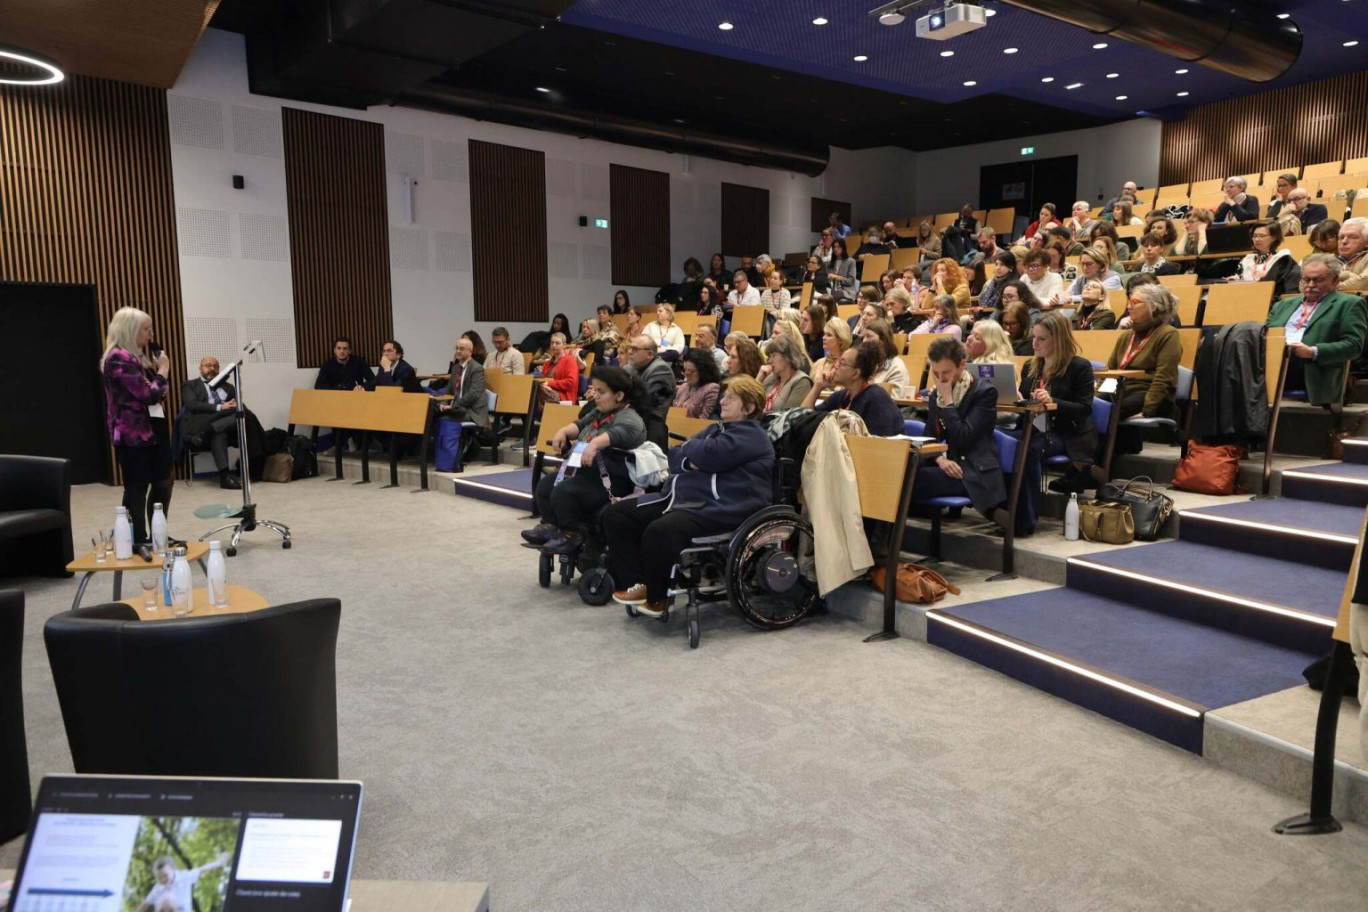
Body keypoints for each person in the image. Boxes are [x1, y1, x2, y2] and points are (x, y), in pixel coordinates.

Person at [604, 375, 773, 615]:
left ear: (749, 407)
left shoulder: (751, 435)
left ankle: (659, 595)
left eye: (731, 398)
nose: (723, 401)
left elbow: (706, 455)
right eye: (724, 396)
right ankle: (638, 583)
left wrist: (694, 453)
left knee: (660, 531)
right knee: (617, 516)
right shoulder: (718, 429)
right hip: (688, 499)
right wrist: (693, 456)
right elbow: (674, 456)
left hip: (725, 507)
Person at [522, 366, 650, 555]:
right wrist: (564, 431)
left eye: (601, 391)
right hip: (586, 472)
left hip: (612, 479)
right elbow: (579, 424)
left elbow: (618, 434)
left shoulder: (631, 418)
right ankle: (550, 525)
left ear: (620, 396)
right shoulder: (599, 411)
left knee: (563, 493)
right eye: (594, 389)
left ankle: (572, 532)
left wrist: (595, 444)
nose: (595, 395)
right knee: (545, 487)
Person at [101, 308, 172, 546]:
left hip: (154, 428)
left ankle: (158, 533)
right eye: (146, 329)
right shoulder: (118, 357)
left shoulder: (137, 357)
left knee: (164, 480)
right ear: (130, 330)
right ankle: (137, 539)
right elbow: (147, 394)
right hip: (133, 433)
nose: (151, 334)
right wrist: (163, 370)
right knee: (138, 485)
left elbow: (157, 393)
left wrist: (157, 380)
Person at [1018, 313, 1098, 520]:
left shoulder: (1079, 367)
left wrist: (1052, 402)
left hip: (1065, 433)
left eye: (1041, 339)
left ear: (1058, 339)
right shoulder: (1030, 366)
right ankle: (1007, 505)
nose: (1034, 343)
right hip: (1034, 427)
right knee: (999, 440)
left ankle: (1027, 515)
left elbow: (1084, 408)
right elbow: (1025, 399)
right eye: (1033, 337)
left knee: (1027, 449)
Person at [919, 336, 1007, 521]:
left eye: (946, 372)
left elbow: (963, 436)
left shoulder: (984, 392)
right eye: (935, 373)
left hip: (974, 470)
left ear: (962, 365)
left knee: (914, 481)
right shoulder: (939, 394)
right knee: (906, 472)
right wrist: (939, 460)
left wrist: (948, 402)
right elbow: (929, 437)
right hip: (949, 465)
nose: (941, 379)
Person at [1266, 255, 1368, 413]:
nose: (1310, 285)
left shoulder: (1349, 304)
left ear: (1334, 281)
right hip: (1275, 362)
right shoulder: (1282, 305)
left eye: (1317, 280)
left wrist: (1312, 351)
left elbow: (1353, 346)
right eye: (1306, 280)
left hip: (1312, 367)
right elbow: (1265, 335)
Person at [1106, 283, 1183, 422]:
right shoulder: (1126, 335)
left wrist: (1147, 410)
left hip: (1150, 396)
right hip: (1121, 392)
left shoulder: (1168, 334)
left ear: (1152, 307)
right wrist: (1098, 397)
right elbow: (1111, 371)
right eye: (1129, 302)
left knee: (1108, 412)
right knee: (1089, 407)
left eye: (1134, 302)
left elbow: (1164, 377)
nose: (1129, 307)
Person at [802, 340, 903, 437]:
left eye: (842, 363)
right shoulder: (842, 395)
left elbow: (881, 443)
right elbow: (802, 419)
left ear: (855, 373)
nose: (835, 366)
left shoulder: (876, 399)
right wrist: (817, 386)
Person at [182, 356, 243, 489]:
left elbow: (236, 408)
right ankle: (225, 477)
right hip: (198, 428)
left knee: (243, 413)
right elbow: (193, 405)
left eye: (215, 366)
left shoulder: (228, 387)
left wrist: (234, 404)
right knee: (219, 434)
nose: (212, 369)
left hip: (213, 430)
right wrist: (220, 407)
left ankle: (209, 430)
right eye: (208, 365)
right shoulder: (190, 385)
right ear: (200, 368)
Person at [313, 336, 373, 453]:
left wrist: (362, 387)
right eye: (339, 348)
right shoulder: (328, 364)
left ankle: (355, 441)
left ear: (349, 351)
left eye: (345, 349)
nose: (342, 351)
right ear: (334, 350)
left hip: (357, 401)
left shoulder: (359, 362)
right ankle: (341, 443)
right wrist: (336, 390)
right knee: (336, 410)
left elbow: (373, 380)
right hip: (336, 402)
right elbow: (319, 385)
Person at [137, 852, 230, 912]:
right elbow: (145, 903)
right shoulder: (158, 888)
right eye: (159, 878)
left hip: (183, 909)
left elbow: (202, 869)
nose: (163, 880)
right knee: (163, 900)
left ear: (173, 869)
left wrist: (218, 863)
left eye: (165, 875)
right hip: (169, 908)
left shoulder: (184, 877)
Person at [1229, 221, 1302, 296]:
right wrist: (1236, 279)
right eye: (1254, 236)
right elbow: (1240, 277)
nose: (1257, 239)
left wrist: (1267, 276)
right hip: (1245, 295)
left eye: (1261, 236)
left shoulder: (1282, 258)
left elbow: (1283, 284)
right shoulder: (1248, 259)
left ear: (1274, 237)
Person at [624, 335, 675, 434]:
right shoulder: (629, 368)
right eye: (630, 348)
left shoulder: (660, 369)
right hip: (629, 421)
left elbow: (644, 400)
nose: (629, 352)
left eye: (635, 349)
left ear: (649, 354)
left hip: (649, 427)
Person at [437, 336, 488, 424]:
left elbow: (473, 394)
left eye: (461, 349)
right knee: (431, 412)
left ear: (470, 351)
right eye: (456, 348)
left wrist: (453, 405)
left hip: (471, 411)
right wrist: (444, 403)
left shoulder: (477, 368)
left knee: (442, 419)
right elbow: (448, 391)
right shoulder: (455, 368)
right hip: (457, 408)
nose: (458, 351)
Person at [1054, 247, 1123, 308]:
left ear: (1101, 264)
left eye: (1089, 264)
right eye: (1082, 264)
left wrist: (1071, 298)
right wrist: (1059, 299)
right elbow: (1066, 295)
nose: (1084, 268)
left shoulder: (1113, 279)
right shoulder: (1081, 278)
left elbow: (1094, 297)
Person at [761, 334, 813, 412]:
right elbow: (751, 405)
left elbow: (788, 416)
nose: (769, 361)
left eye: (774, 356)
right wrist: (759, 378)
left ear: (788, 356)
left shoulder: (802, 381)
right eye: (769, 357)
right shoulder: (771, 378)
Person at [861, 318, 912, 397]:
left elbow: (894, 400)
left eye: (869, 336)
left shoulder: (896, 366)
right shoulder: (862, 363)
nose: (864, 341)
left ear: (883, 339)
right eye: (863, 337)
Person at [673, 348, 722, 418]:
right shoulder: (683, 387)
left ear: (703, 371)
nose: (686, 374)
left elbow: (705, 420)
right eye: (685, 370)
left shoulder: (712, 389)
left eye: (690, 371)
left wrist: (688, 419)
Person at [537, 333, 580, 403]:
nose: (554, 345)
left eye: (557, 343)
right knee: (531, 386)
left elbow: (570, 382)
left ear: (564, 345)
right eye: (552, 343)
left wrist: (549, 384)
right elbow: (543, 379)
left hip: (563, 396)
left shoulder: (570, 361)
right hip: (547, 391)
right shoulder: (547, 363)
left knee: (538, 390)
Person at [811, 317, 852, 381]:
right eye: (824, 334)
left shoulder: (848, 366)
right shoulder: (818, 363)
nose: (823, 338)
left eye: (829, 335)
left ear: (841, 339)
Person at [1338, 217, 1368, 292]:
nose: (1344, 241)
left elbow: (1364, 282)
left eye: (1353, 237)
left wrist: (1346, 275)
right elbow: (1306, 285)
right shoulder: (1327, 260)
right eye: (1341, 237)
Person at [826, 238, 858, 303]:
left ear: (843, 248)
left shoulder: (851, 261)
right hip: (832, 290)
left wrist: (836, 277)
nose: (836, 249)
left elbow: (851, 281)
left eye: (838, 247)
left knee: (830, 298)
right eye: (834, 247)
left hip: (846, 291)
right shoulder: (829, 263)